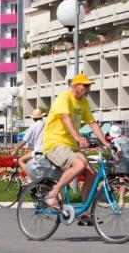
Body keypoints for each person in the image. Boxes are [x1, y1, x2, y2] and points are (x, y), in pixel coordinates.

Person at [42, 73, 110, 225]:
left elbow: (92, 123)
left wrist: (105, 143)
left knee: (91, 173)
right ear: (75, 87)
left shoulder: (84, 103)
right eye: (85, 86)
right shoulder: (64, 97)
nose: (88, 89)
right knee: (79, 165)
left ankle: (84, 213)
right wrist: (78, 136)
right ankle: (52, 194)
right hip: (55, 143)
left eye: (89, 86)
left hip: (70, 146)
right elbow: (65, 117)